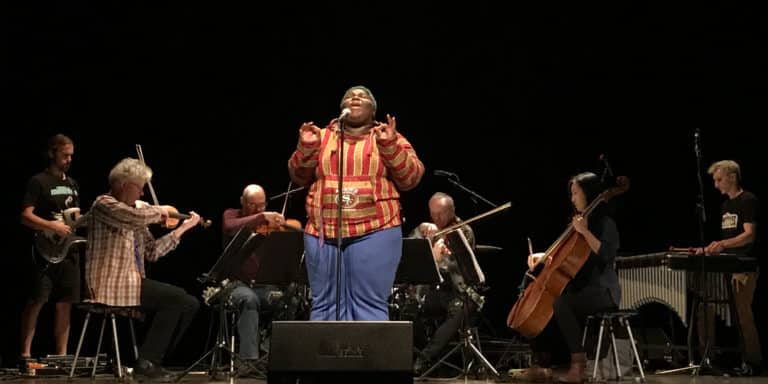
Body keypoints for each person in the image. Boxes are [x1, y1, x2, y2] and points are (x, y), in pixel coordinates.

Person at [288, 85, 425, 320]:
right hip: (323, 232)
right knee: (323, 306)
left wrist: (390, 147)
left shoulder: (386, 136)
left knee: (369, 304)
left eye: (363, 97)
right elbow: (298, 177)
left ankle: (368, 357)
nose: (355, 97)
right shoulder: (320, 137)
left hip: (376, 229)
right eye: (350, 96)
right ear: (341, 108)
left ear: (373, 112)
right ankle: (326, 357)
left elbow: (411, 179)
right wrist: (307, 148)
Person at [85, 158, 201, 380]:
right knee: (176, 299)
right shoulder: (104, 205)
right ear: (124, 186)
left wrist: (183, 228)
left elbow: (152, 252)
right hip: (111, 283)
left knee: (189, 304)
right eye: (140, 188)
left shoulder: (136, 214)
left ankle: (153, 359)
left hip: (131, 282)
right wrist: (161, 210)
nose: (142, 195)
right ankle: (147, 363)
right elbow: (132, 217)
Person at [515, 172, 620, 383]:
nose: (572, 198)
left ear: (588, 194)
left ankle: (578, 364)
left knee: (561, 303)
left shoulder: (604, 223)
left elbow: (608, 254)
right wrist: (542, 257)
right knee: (550, 305)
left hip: (603, 291)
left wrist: (586, 232)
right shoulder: (576, 224)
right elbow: (564, 257)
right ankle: (542, 363)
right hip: (581, 288)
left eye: (575, 193)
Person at [19, 134, 81, 367]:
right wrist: (51, 225)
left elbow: (73, 215)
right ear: (52, 153)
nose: (68, 159)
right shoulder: (39, 181)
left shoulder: (73, 184)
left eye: (71, 156)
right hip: (45, 249)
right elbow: (25, 216)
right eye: (65, 155)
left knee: (66, 302)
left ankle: (62, 356)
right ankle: (24, 355)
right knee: (38, 299)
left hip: (69, 249)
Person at [696, 160, 761, 375]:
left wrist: (722, 244)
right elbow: (728, 240)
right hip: (725, 267)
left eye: (719, 179)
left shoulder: (748, 200)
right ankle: (708, 358)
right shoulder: (725, 206)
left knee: (743, 315)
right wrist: (710, 248)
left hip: (743, 268)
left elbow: (749, 235)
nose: (716, 185)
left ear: (732, 177)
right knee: (705, 308)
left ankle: (753, 362)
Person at [409, 192, 483, 375]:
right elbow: (408, 251)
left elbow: (461, 268)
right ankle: (420, 356)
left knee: (458, 312)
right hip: (433, 292)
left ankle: (424, 359)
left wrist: (438, 259)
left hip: (458, 292)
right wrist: (419, 230)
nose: (436, 218)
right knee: (408, 310)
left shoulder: (463, 232)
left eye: (440, 213)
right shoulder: (429, 228)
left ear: (451, 211)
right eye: (432, 213)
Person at [221, 184, 286, 376]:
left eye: (262, 205)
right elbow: (229, 227)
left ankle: (266, 355)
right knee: (249, 299)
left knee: (287, 299)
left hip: (263, 286)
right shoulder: (231, 215)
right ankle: (247, 361)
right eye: (253, 205)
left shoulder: (267, 226)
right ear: (242, 201)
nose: (259, 209)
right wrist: (261, 217)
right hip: (235, 285)